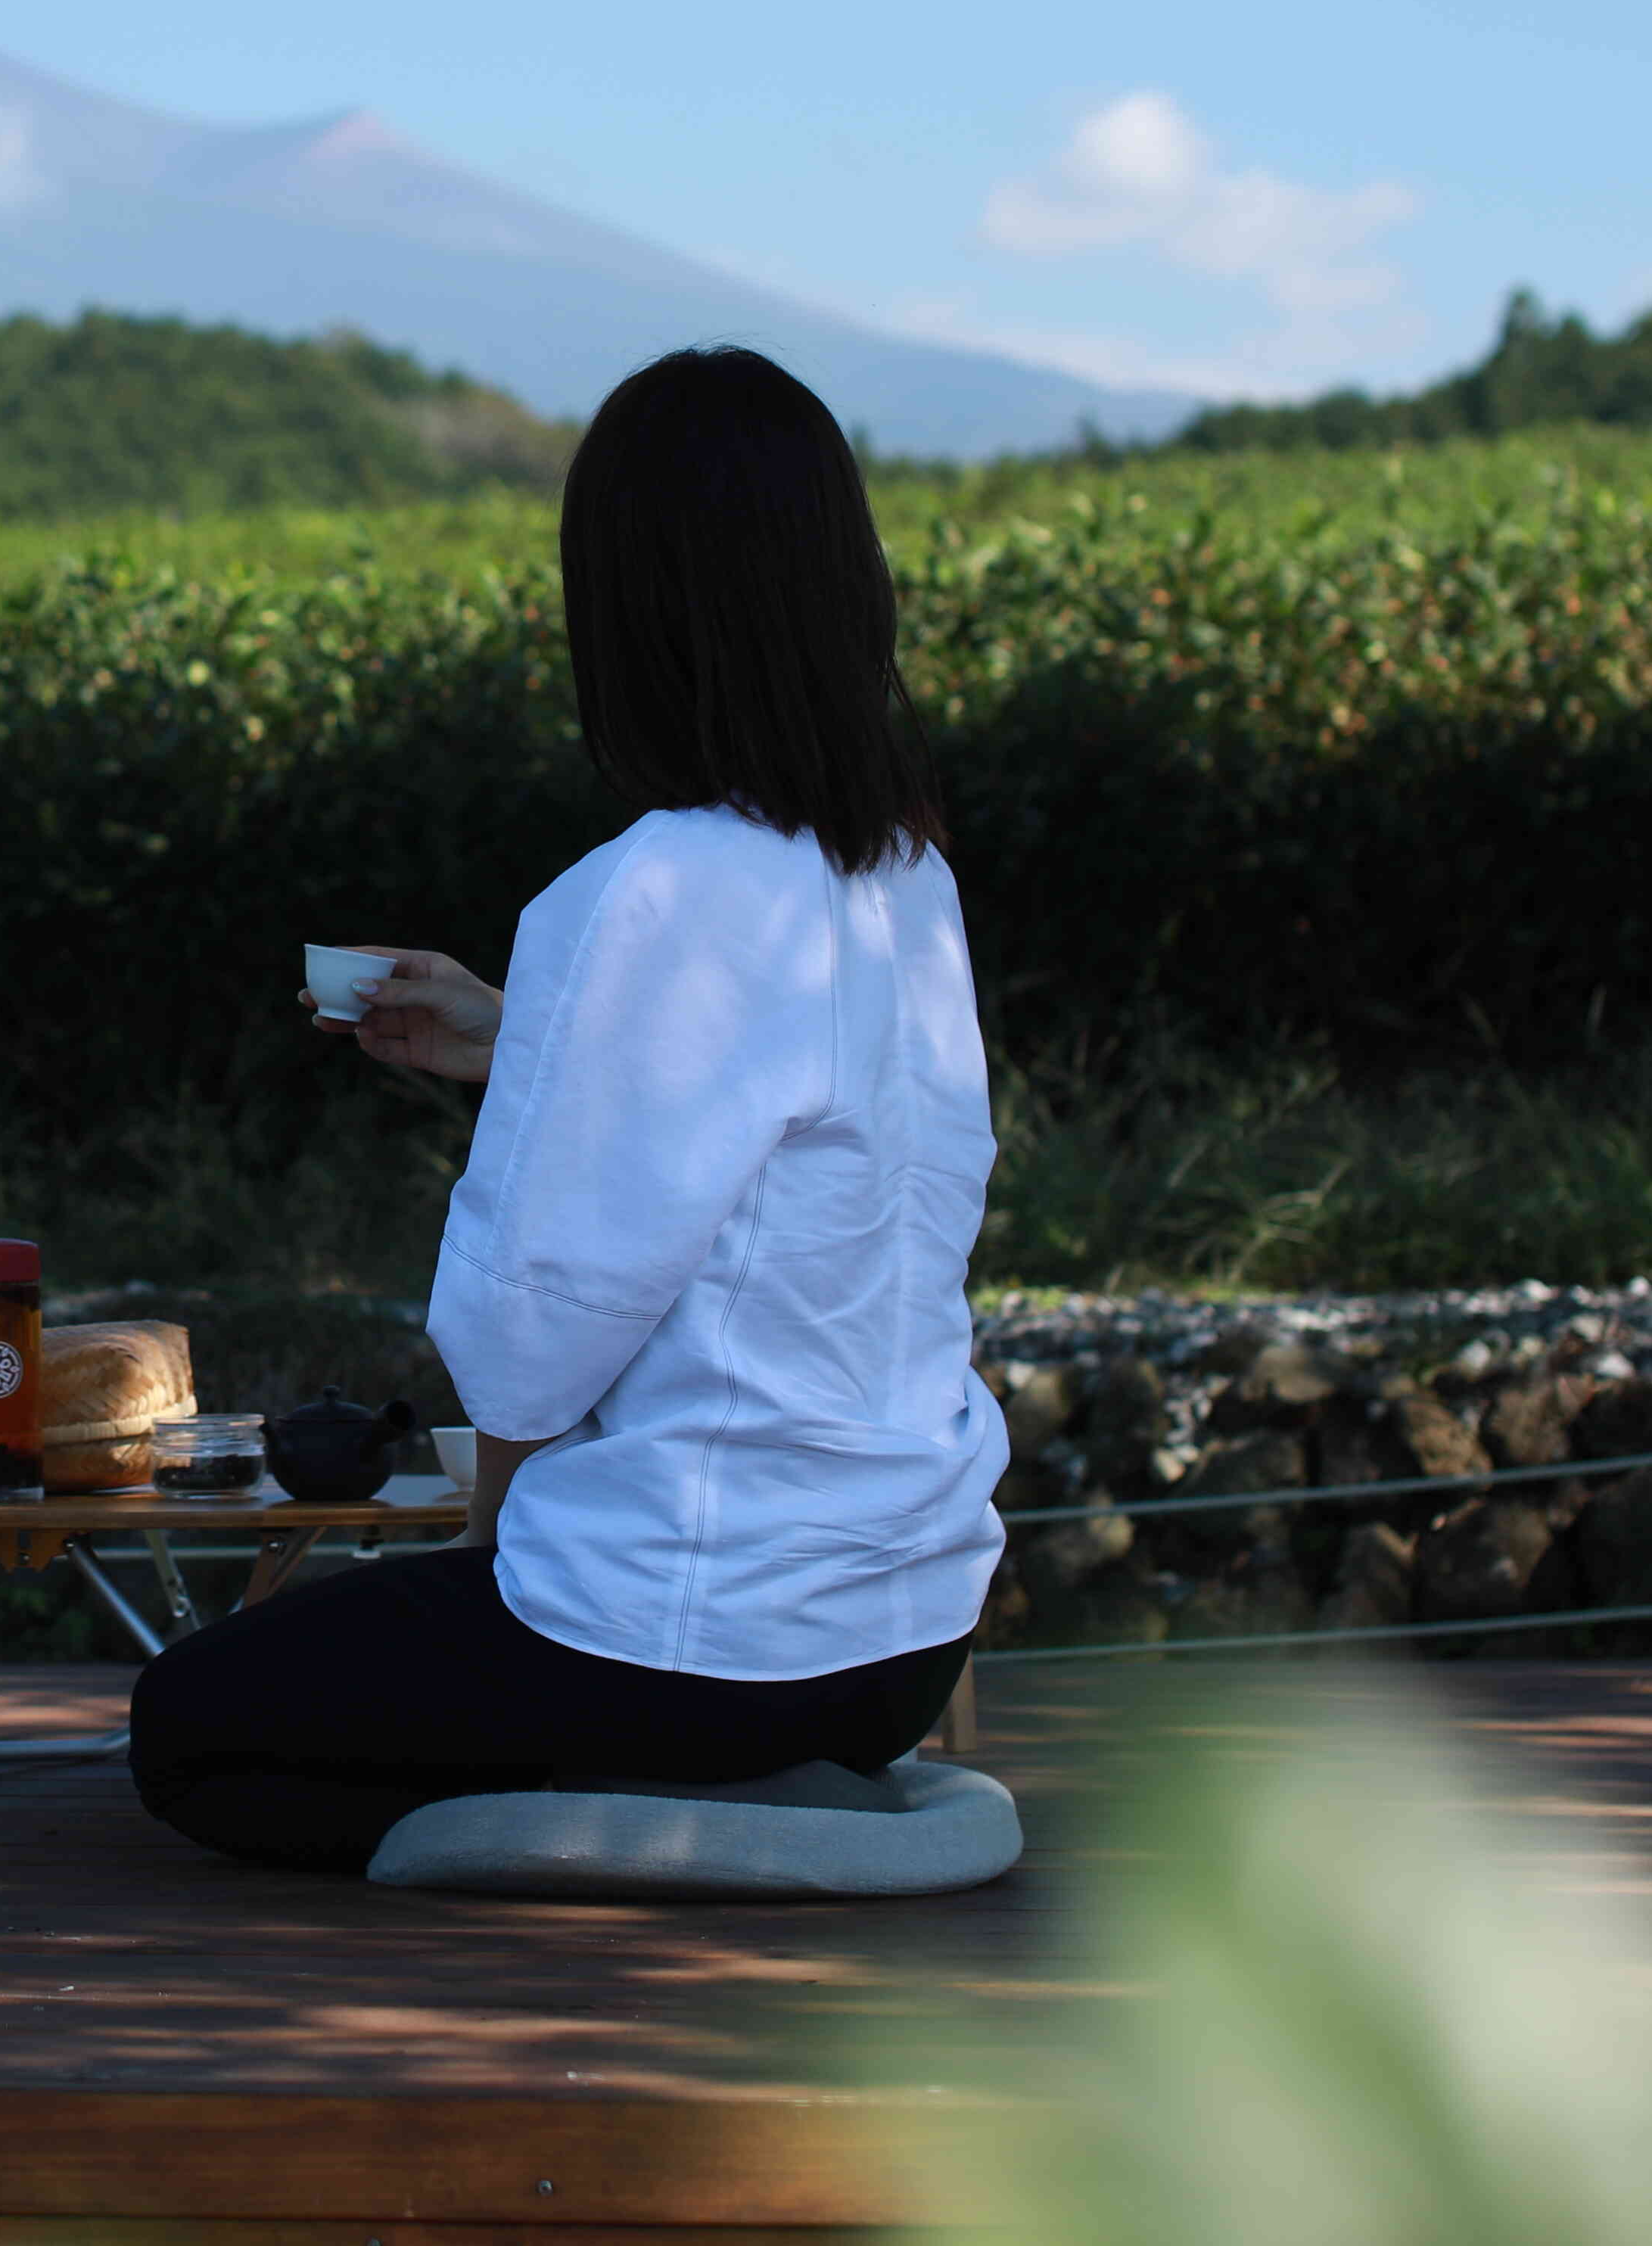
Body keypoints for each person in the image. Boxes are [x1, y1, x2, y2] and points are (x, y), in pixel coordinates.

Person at [127, 345, 1003, 1872]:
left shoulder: (648, 886)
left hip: (693, 1642)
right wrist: (529, 1041)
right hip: (901, 1640)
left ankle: (630, 1824)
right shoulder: (904, 880)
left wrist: (492, 1578)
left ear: (629, 610)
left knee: (190, 1725)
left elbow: (525, 1348)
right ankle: (751, 1789)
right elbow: (804, 1159)